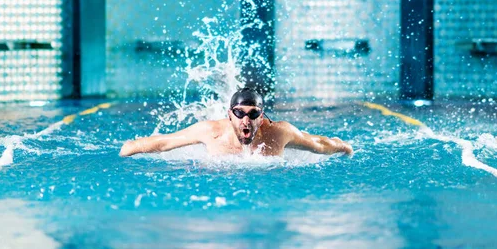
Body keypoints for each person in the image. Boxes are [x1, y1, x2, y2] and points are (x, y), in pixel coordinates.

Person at [119, 88, 353, 157]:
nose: (246, 120)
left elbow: (318, 144)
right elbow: (164, 142)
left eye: (253, 114)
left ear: (262, 118)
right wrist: (130, 148)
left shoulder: (279, 133)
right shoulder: (211, 132)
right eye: (239, 113)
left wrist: (342, 146)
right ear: (229, 115)